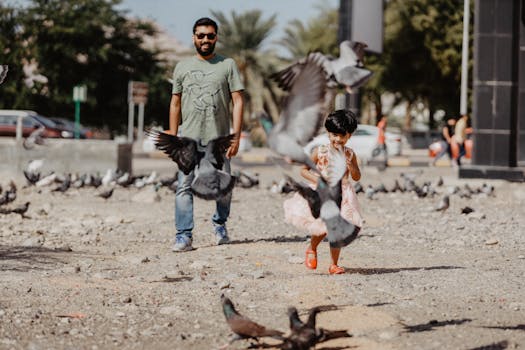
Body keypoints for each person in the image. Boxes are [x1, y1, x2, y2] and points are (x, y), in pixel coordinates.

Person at [168, 17, 244, 252]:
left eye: (210, 35)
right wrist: (172, 134)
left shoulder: (227, 65)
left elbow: (238, 100)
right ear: (193, 37)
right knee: (183, 187)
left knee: (224, 187)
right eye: (200, 35)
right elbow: (175, 103)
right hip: (188, 140)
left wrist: (236, 135)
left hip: (218, 140)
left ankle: (220, 225)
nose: (205, 39)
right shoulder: (182, 67)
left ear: (216, 37)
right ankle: (184, 235)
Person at [283, 110, 363, 275]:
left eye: (342, 136)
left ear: (349, 136)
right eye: (334, 135)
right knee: (323, 227)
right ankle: (311, 248)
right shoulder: (320, 152)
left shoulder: (350, 154)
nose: (338, 140)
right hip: (323, 194)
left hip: (343, 195)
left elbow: (356, 176)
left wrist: (351, 166)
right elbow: (303, 170)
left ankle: (334, 264)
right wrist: (317, 181)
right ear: (328, 133)